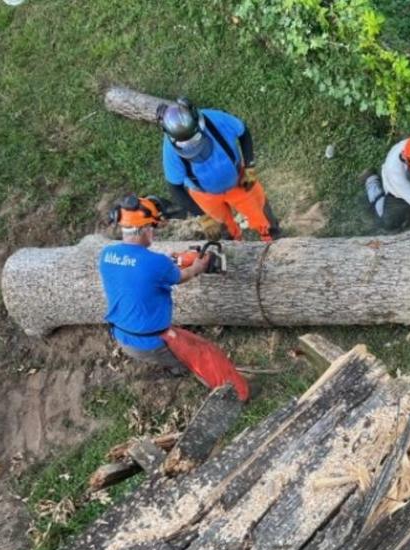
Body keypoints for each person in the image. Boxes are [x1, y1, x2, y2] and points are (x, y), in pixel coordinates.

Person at [99, 195, 250, 400]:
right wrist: (197, 267)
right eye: (152, 228)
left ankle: (174, 366)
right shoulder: (155, 263)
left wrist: (170, 261)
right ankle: (236, 395)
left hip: (123, 334)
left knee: (187, 344)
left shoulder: (107, 254)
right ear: (143, 229)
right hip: (151, 340)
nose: (153, 233)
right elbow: (181, 275)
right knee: (206, 355)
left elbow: (135, 273)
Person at [160, 97, 281, 242]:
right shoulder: (171, 150)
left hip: (239, 180)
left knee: (260, 211)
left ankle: (272, 236)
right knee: (222, 229)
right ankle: (233, 242)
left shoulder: (216, 120)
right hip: (205, 195)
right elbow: (175, 189)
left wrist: (249, 166)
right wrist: (201, 215)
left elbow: (243, 132)